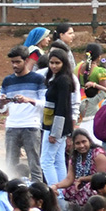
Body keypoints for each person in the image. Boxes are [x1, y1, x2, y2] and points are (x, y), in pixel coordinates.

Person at [0, 46, 45, 183]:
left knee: (34, 164)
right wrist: (2, 103)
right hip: (12, 126)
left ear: (26, 61)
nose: (14, 65)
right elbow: (1, 109)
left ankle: (38, 194)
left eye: (18, 62)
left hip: (31, 125)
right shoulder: (7, 80)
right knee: (10, 165)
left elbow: (45, 103)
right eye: (12, 62)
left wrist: (28, 100)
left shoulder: (38, 79)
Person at [41, 48, 77, 185]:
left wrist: (55, 132)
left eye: (57, 63)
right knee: (58, 159)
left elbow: (62, 108)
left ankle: (54, 191)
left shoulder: (62, 81)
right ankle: (62, 191)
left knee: (46, 161)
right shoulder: (56, 79)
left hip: (56, 126)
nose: (54, 66)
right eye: (51, 63)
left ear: (64, 64)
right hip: (56, 125)